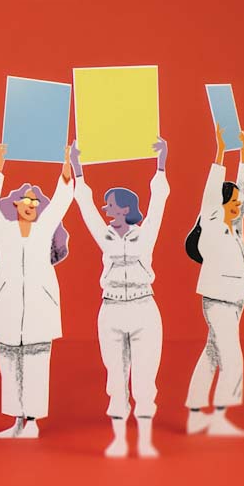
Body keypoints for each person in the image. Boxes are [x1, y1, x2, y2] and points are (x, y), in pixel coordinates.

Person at [69, 137, 171, 459]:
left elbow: (159, 200)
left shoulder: (146, 233)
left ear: (126, 209)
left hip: (144, 309)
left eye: (111, 205)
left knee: (144, 379)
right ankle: (118, 439)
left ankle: (144, 439)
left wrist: (161, 163)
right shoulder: (106, 236)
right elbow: (85, 208)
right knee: (115, 379)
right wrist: (77, 168)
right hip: (111, 309)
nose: (106, 210)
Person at [0, 143, 74, 439]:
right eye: (25, 201)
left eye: (34, 202)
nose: (31, 205)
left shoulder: (45, 229)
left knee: (35, 365)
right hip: (7, 306)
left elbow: (61, 201)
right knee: (9, 364)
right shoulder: (3, 230)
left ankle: (32, 422)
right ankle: (17, 421)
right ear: (16, 205)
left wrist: (66, 168)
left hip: (38, 308)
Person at [183, 125, 244, 437]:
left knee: (212, 354)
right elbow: (211, 193)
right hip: (217, 301)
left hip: (236, 299)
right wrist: (221, 152)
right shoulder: (212, 223)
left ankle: (196, 411)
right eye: (232, 201)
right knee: (232, 356)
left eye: (238, 202)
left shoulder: (235, 228)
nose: (238, 205)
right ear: (220, 205)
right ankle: (221, 416)